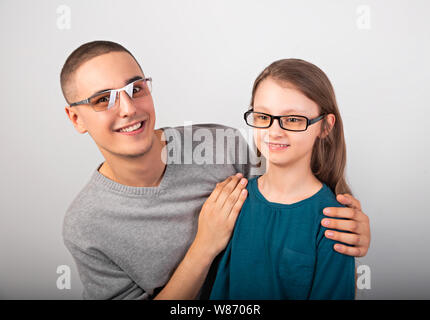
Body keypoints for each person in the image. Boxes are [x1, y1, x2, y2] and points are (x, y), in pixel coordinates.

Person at [60, 40, 371, 299]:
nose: (128, 108)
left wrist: (348, 221)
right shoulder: (85, 226)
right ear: (75, 119)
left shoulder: (219, 145)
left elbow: (288, 186)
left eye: (136, 88)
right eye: (103, 100)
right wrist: (204, 245)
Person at [210, 59, 358, 300]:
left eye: (292, 119)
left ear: (325, 127)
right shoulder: (234, 199)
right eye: (262, 116)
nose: (274, 131)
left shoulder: (334, 221)